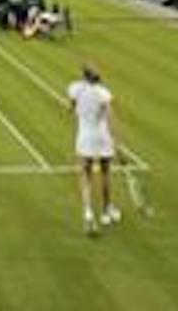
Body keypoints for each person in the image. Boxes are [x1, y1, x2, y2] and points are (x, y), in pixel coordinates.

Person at [64, 63, 120, 234]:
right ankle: (106, 212)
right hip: (103, 138)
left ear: (84, 76)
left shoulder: (75, 89)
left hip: (85, 138)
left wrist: (76, 108)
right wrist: (117, 143)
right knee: (105, 174)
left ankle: (88, 213)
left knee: (85, 176)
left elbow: (70, 108)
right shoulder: (104, 93)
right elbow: (110, 118)